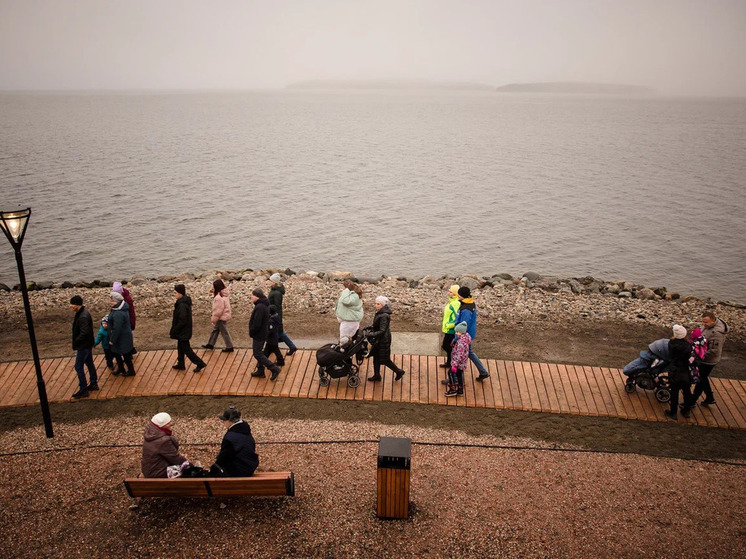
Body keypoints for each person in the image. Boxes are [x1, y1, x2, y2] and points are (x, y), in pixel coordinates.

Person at [690, 311, 729, 406]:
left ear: (712, 321)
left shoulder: (717, 334)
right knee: (703, 378)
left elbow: (714, 351)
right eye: (703, 322)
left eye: (706, 322)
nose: (703, 324)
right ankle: (710, 397)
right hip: (703, 356)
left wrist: (699, 355)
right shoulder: (708, 326)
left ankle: (692, 401)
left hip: (708, 360)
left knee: (700, 379)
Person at [365, 295, 406, 382]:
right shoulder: (380, 313)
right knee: (376, 357)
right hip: (379, 339)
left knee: (385, 359)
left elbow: (382, 330)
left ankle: (398, 371)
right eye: (376, 303)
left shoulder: (384, 315)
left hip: (383, 340)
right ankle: (377, 375)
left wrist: (371, 334)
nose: (376, 305)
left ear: (383, 305)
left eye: (378, 304)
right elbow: (377, 325)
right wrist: (369, 327)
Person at [454, 286, 490, 381]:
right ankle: (483, 372)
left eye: (459, 294)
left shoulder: (466, 309)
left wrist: (457, 338)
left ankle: (456, 378)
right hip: (469, 334)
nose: (457, 295)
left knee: (459, 355)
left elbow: (464, 325)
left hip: (463, 336)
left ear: (463, 296)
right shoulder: (470, 303)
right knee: (469, 353)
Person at [211, 406, 259, 477]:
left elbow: (223, 458)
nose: (223, 422)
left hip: (237, 472)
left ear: (231, 421)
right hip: (249, 469)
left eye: (225, 420)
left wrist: (212, 470)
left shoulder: (231, 437)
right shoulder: (246, 432)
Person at [169, 284, 206, 373]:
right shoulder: (184, 302)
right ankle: (181, 363)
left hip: (183, 331)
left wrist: (175, 329)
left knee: (187, 349)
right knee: (181, 347)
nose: (174, 295)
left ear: (180, 293)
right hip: (184, 331)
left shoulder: (181, 305)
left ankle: (199, 363)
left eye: (175, 293)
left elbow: (183, 319)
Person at [141, 412, 187, 478]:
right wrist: (190, 465)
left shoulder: (151, 435)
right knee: (188, 472)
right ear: (161, 425)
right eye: (168, 423)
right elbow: (175, 458)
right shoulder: (163, 441)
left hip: (149, 471)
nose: (171, 424)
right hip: (158, 474)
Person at [249, 288, 282, 381]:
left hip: (259, 334)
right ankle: (260, 371)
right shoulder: (264, 305)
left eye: (252, 295)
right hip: (262, 333)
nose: (251, 297)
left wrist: (252, 331)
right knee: (259, 353)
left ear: (257, 297)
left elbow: (257, 323)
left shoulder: (259, 307)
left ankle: (274, 368)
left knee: (257, 353)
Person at [70, 295, 98, 399]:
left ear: (77, 304)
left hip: (83, 345)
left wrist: (77, 341)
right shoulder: (83, 313)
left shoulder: (82, 317)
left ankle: (83, 389)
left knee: (78, 366)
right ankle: (93, 383)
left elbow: (84, 332)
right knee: (89, 363)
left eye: (72, 304)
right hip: (87, 344)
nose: (71, 306)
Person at [665, 325, 693, 420]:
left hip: (674, 370)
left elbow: (670, 356)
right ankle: (686, 411)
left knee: (674, 392)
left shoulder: (671, 344)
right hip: (685, 370)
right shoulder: (688, 345)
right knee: (687, 391)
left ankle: (673, 412)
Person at [202, 278, 234, 353]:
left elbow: (218, 311)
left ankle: (230, 346)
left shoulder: (218, 297)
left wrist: (213, 319)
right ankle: (210, 344)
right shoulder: (224, 293)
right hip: (224, 315)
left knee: (224, 332)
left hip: (221, 317)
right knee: (216, 330)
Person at [268, 273, 297, 356]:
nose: (270, 282)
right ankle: (276, 348)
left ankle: (292, 347)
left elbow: (277, 306)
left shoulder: (276, 293)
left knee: (279, 333)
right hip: (275, 315)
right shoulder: (275, 290)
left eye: (271, 281)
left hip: (275, 315)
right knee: (277, 333)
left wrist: (274, 315)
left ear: (275, 282)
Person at [108, 291, 136, 377]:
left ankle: (131, 371)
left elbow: (117, 328)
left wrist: (112, 340)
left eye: (112, 301)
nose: (110, 302)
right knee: (117, 353)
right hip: (123, 336)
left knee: (126, 355)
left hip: (122, 337)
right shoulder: (120, 308)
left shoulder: (118, 313)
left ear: (117, 301)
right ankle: (121, 368)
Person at [439, 285, 461, 374]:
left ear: (455, 294)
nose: (448, 292)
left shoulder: (455, 303)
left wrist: (449, 325)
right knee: (448, 346)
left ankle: (452, 363)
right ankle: (449, 362)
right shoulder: (452, 301)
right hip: (449, 328)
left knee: (445, 346)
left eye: (450, 291)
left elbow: (457, 317)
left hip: (451, 329)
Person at [446, 321, 471, 397]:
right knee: (459, 375)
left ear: (461, 332)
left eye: (457, 332)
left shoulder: (460, 343)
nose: (456, 333)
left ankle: (453, 389)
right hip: (462, 363)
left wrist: (454, 365)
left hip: (457, 363)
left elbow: (459, 355)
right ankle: (460, 390)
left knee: (451, 373)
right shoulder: (466, 339)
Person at [112, 281, 137, 353]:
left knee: (126, 337)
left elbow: (131, 312)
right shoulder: (120, 298)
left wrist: (132, 323)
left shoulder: (127, 299)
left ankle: (130, 351)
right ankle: (131, 350)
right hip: (123, 320)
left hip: (127, 321)